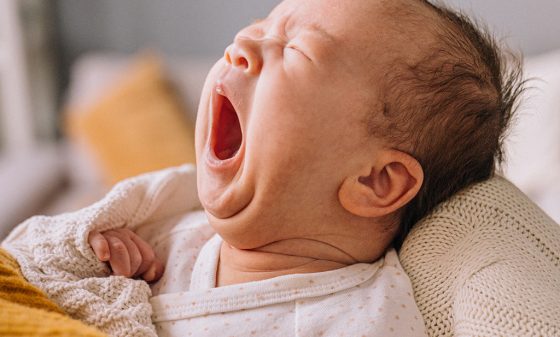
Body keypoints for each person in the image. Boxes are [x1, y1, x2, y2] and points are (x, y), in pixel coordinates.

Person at [2, 0, 524, 336]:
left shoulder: (361, 319)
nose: (241, 46)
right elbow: (20, 265)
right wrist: (83, 250)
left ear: (375, 181)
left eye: (295, 50)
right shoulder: (163, 226)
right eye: (259, 27)